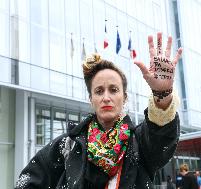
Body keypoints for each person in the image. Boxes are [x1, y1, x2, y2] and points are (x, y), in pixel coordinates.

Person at [15, 32, 183, 189]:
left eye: (113, 90)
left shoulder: (139, 142)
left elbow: (161, 135)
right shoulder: (67, 145)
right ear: (91, 100)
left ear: (124, 98)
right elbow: (27, 182)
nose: (106, 97)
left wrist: (162, 93)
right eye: (99, 91)